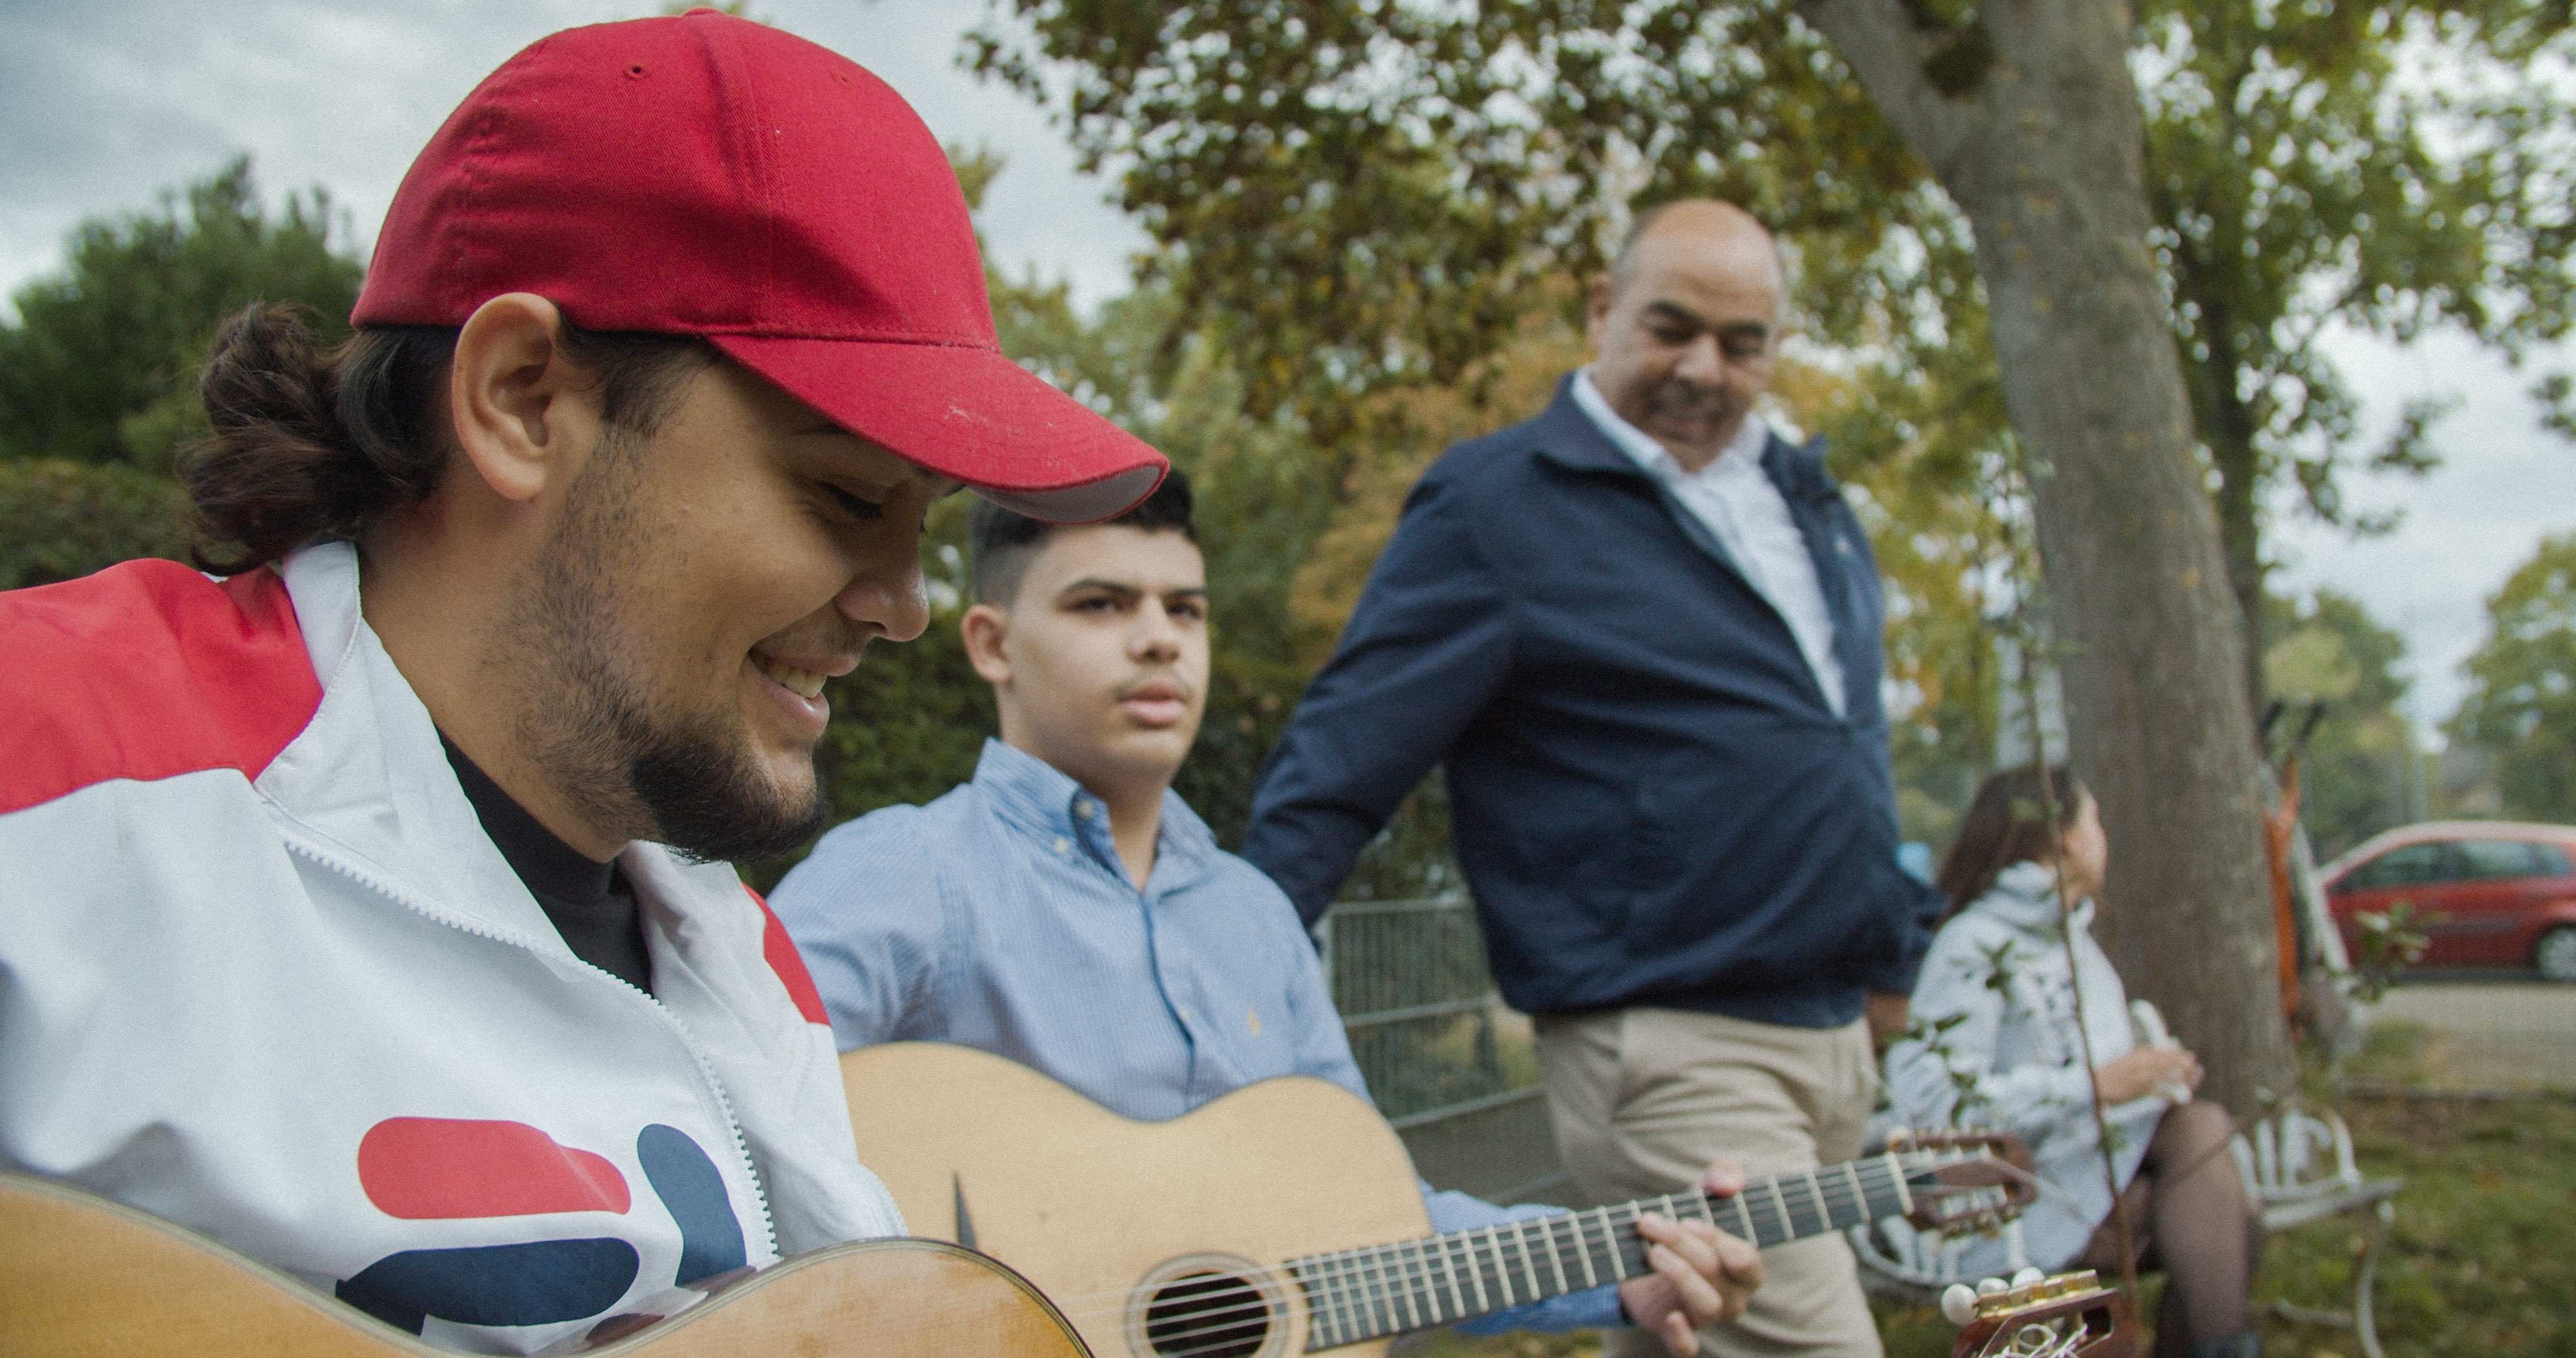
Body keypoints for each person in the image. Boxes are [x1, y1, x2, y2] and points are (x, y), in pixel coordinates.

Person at [0, 14, 1167, 1355]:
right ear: (519, 399)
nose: (904, 604)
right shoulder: (48, 769)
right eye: (844, 493)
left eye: (926, 519)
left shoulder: (742, 961)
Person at [772, 474, 1763, 1354]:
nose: (1159, 635)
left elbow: (1376, 1216)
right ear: (992, 644)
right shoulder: (909, 873)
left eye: (1186, 609)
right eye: (1102, 603)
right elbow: (731, 1114)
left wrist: (1620, 1274)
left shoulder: (1255, 916)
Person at [1239, 199, 1946, 1356]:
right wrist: (1220, 1001)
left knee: (1677, 1329)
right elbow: (1336, 772)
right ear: (1602, 310)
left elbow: (1847, 748)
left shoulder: (1809, 502)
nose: (1705, 369)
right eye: (1671, 328)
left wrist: (1895, 952)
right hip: (1673, 1047)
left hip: (1832, 1039)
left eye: (1744, 341)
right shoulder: (1495, 508)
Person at [1884, 766, 2262, 1358]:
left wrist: (2149, 1078)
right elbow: (1938, 1104)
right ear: (2065, 839)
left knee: (2216, 1183)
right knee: (2219, 1197)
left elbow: (2102, 1081)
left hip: (2091, 1173)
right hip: (2015, 1205)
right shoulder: (1975, 944)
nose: (2103, 835)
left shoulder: (2070, 940)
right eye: (2098, 820)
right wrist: (2096, 1086)